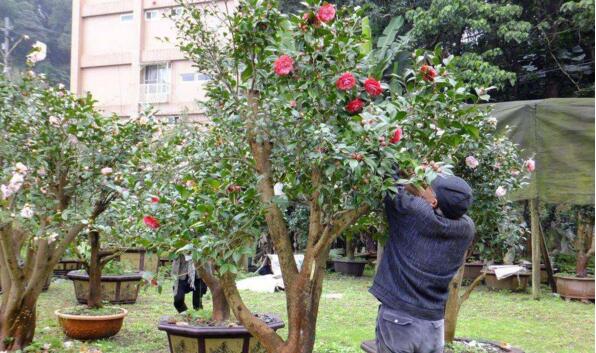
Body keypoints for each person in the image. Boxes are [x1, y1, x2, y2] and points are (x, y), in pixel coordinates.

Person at [370, 174, 475, 353]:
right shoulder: (467, 229)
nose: (424, 187)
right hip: (433, 325)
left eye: (428, 187)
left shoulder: (415, 213)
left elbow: (390, 182)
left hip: (400, 320)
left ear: (433, 202)